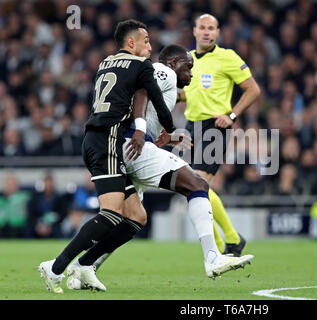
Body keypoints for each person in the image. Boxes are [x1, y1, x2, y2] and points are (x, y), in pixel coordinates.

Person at [65, 45, 253, 291]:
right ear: (174, 62)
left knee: (132, 218)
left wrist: (163, 136)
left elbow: (141, 100)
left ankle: (84, 268)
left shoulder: (165, 80)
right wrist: (142, 130)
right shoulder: (164, 71)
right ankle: (212, 256)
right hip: (134, 145)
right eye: (189, 67)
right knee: (197, 184)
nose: (191, 74)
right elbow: (142, 91)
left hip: (126, 146)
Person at [38, 19, 177, 294]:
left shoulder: (106, 62)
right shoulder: (141, 65)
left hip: (94, 138)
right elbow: (158, 103)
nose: (150, 46)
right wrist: (171, 131)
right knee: (112, 213)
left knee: (136, 216)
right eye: (146, 40)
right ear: (131, 43)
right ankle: (56, 266)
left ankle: (87, 265)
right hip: (108, 142)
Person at [178, 14, 261, 256]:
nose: (206, 32)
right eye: (202, 28)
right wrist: (171, 95)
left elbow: (253, 89)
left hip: (215, 127)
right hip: (192, 126)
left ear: (218, 32)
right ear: (194, 31)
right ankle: (229, 243)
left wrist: (233, 115)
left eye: (211, 28)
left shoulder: (228, 57)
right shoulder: (188, 60)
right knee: (193, 189)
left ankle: (229, 241)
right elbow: (188, 94)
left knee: (197, 186)